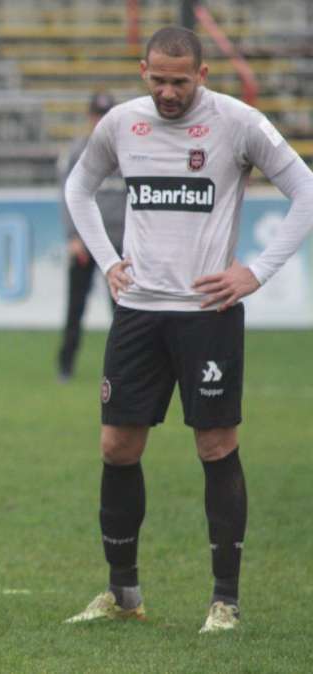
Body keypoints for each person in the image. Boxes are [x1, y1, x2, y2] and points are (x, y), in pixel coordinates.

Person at [63, 26, 313, 633]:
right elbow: (80, 186)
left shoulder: (239, 122)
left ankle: (223, 601)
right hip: (140, 312)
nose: (169, 92)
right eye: (159, 79)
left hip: (208, 315)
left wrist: (255, 271)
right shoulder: (122, 123)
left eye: (181, 80)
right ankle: (123, 594)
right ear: (143, 70)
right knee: (117, 447)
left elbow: (305, 189)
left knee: (215, 446)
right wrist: (108, 259)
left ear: (202, 75)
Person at [56, 91, 127, 381]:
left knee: (124, 312)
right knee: (76, 307)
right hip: (87, 242)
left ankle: (124, 367)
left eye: (107, 115)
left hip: (122, 242)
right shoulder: (78, 152)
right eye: (98, 115)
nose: (102, 121)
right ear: (90, 117)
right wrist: (74, 236)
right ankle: (65, 365)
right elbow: (68, 196)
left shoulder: (130, 151)